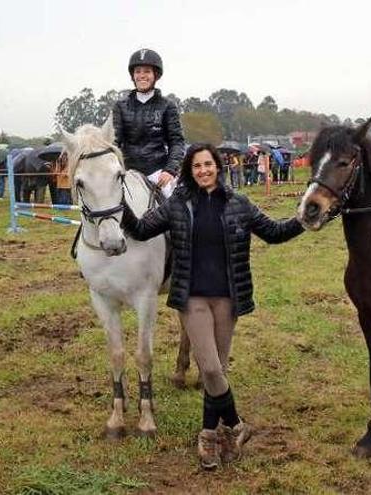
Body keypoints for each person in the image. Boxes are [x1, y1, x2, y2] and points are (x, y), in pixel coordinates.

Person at [120, 143, 304, 470]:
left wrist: (305, 219)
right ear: (190, 172)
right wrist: (117, 204)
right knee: (209, 367)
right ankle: (235, 424)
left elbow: (274, 233)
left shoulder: (239, 204)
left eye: (208, 164)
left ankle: (208, 433)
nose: (203, 170)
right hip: (192, 298)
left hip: (227, 299)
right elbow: (142, 228)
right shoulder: (178, 205)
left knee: (217, 369)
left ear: (217, 166)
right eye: (197, 167)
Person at [112, 48, 186, 198]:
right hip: (128, 172)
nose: (142, 75)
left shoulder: (167, 106)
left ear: (155, 75)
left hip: (158, 172)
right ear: (133, 76)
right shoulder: (120, 106)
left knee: (179, 208)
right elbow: (114, 142)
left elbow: (176, 142)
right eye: (138, 71)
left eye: (146, 71)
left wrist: (170, 170)